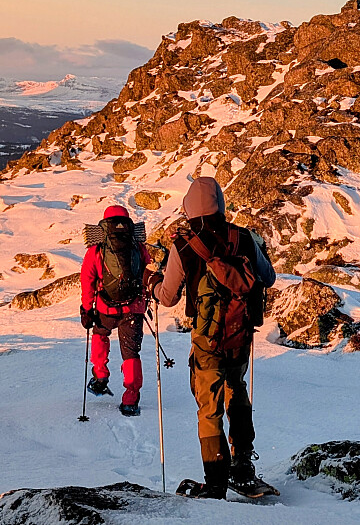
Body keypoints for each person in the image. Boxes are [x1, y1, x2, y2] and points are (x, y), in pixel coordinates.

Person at [149, 177, 276, 499]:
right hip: (240, 334)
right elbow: (269, 278)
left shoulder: (184, 244)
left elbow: (167, 297)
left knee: (210, 408)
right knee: (237, 392)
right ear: (219, 203)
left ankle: (216, 481)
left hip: (207, 339)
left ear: (189, 207)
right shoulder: (243, 237)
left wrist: (151, 283)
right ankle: (243, 467)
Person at [80, 205, 152, 417]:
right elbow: (147, 272)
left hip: (105, 307)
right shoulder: (138, 246)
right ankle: (131, 399)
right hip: (133, 309)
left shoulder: (97, 249)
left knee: (100, 334)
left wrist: (87, 309)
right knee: (131, 352)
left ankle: (100, 376)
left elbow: (88, 280)